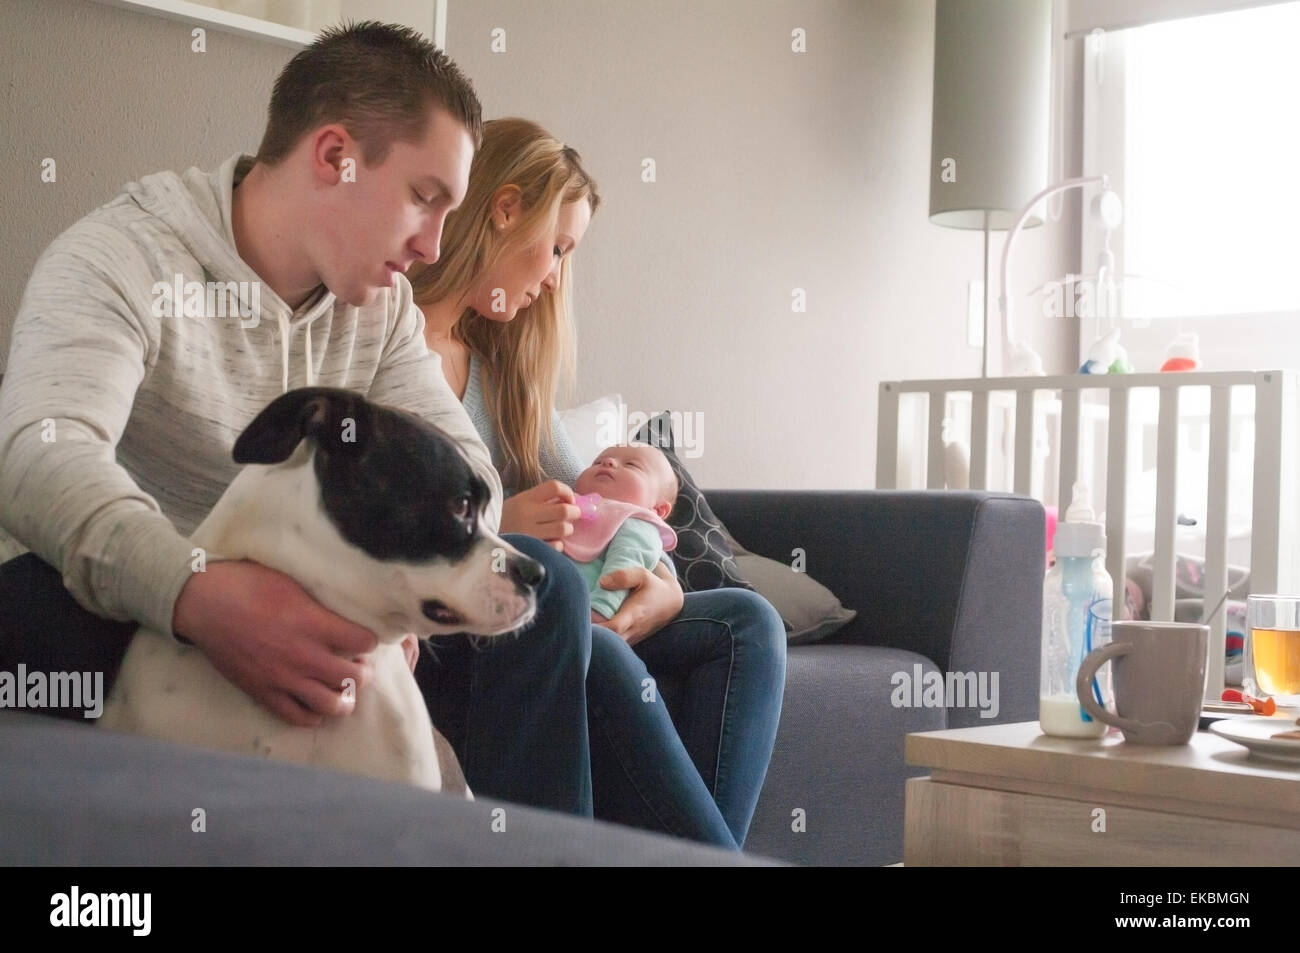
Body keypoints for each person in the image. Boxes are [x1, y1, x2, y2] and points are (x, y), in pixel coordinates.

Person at [0, 23, 614, 828]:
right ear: (334, 156)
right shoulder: (121, 258)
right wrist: (195, 591)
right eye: (424, 199)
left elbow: (466, 464)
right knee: (32, 602)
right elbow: (37, 458)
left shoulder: (383, 308)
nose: (432, 247)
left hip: (344, 611)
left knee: (551, 595)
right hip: (130, 604)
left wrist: (388, 598)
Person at [408, 117, 787, 847]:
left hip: (549, 615)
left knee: (749, 623)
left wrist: (665, 584)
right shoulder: (388, 343)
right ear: (503, 209)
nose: (553, 277)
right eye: (555, 248)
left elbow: (601, 505)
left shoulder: (498, 375)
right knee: (590, 637)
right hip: (456, 629)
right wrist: (500, 526)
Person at [566, 443, 679, 625]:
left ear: (657, 510)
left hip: (589, 615)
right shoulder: (566, 503)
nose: (608, 462)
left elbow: (625, 567)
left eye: (631, 465)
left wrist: (600, 611)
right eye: (597, 462)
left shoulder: (637, 522)